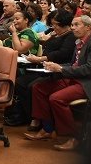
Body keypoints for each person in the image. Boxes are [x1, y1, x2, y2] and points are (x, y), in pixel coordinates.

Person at [24, 15, 91, 152]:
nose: (72, 28)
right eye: (72, 24)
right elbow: (73, 64)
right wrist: (55, 65)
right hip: (72, 78)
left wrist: (61, 69)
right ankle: (47, 129)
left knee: (56, 98)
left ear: (88, 27)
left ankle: (73, 137)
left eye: (76, 25)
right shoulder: (79, 41)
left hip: (85, 82)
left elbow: (88, 69)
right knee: (39, 88)